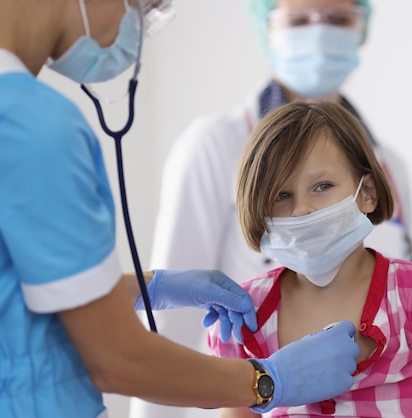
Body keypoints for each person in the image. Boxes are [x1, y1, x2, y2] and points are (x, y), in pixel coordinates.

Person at [0, 0, 361, 416]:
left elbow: (17, 294)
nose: (134, 29)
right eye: (142, 6)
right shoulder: (34, 130)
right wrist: (267, 380)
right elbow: (118, 359)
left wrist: (148, 288)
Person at [207, 101, 412, 418]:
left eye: (322, 186)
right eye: (281, 195)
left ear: (368, 193)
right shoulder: (245, 314)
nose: (302, 209)